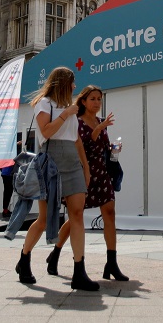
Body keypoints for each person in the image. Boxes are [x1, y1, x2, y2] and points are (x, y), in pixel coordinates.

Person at [14, 67, 98, 290]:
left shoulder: (70, 107)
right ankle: (24, 259)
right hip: (50, 161)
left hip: (72, 160)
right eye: (71, 82)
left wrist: (86, 168)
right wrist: (66, 113)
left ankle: (79, 271)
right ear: (62, 83)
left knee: (77, 214)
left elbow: (77, 139)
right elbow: (47, 132)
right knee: (43, 219)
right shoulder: (45, 104)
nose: (74, 86)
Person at [45, 85, 128, 281]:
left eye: (99, 99)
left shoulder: (100, 121)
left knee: (109, 213)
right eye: (93, 99)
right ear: (83, 101)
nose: (97, 102)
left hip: (102, 172)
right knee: (76, 216)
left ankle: (112, 263)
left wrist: (113, 149)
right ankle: (55, 253)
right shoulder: (77, 121)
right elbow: (84, 144)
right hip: (83, 172)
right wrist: (99, 128)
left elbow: (100, 146)